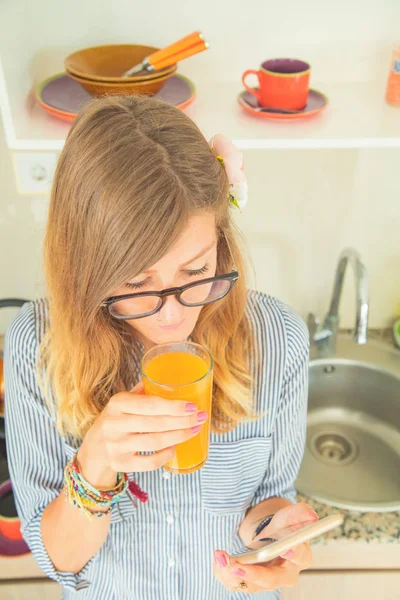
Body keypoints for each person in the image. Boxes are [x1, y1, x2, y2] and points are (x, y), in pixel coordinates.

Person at [5, 95, 316, 599]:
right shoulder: (36, 348)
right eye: (134, 284)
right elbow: (60, 559)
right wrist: (96, 465)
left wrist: (278, 538)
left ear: (222, 241)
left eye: (195, 272)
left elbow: (268, 502)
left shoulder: (276, 338)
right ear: (86, 271)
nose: (173, 317)